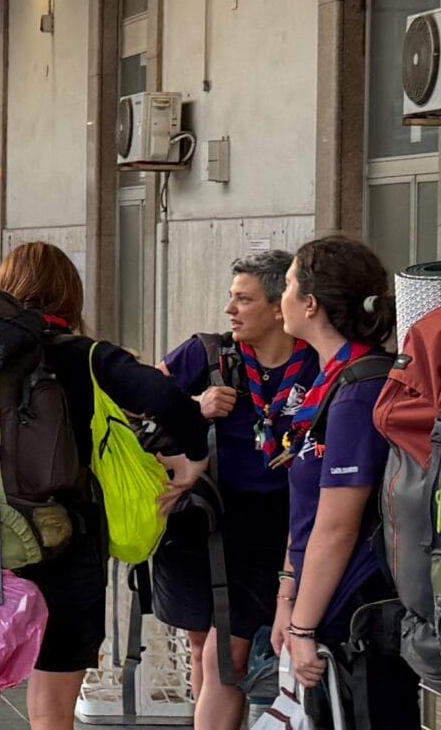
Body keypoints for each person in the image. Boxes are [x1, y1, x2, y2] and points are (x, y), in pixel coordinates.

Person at [0, 242, 211, 730]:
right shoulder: (86, 356)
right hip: (68, 540)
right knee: (51, 709)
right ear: (71, 294)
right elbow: (166, 396)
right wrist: (193, 457)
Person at [154, 250, 315, 730]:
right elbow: (134, 411)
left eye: (243, 299)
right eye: (231, 297)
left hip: (273, 527)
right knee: (205, 647)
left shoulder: (317, 365)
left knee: (227, 655)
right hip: (200, 521)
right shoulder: (205, 354)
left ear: (278, 305)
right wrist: (193, 407)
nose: (230, 310)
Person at [271, 236, 418, 728]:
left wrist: (303, 625)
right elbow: (308, 512)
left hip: (359, 612)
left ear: (311, 304)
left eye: (288, 285)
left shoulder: (360, 392)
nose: (282, 298)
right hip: (323, 601)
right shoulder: (328, 381)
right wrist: (287, 598)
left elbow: (338, 527)